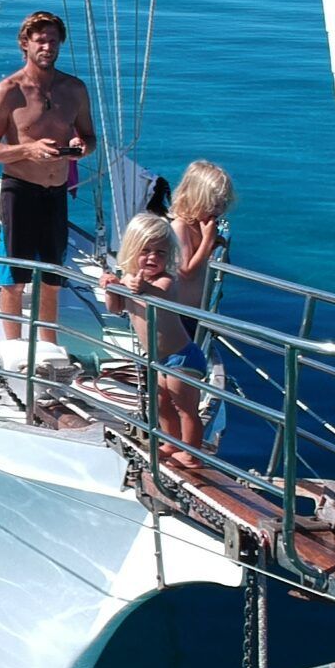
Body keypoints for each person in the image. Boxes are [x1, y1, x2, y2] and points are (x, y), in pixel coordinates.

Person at [0, 11, 95, 358]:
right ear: (25, 44)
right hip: (19, 191)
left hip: (56, 192)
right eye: (40, 40)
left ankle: (48, 346)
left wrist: (80, 149)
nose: (47, 46)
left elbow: (89, 137)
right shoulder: (9, 91)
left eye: (53, 40)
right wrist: (27, 149)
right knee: (13, 276)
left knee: (52, 276)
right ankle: (13, 348)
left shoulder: (73, 89)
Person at [102, 211, 205, 470]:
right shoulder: (128, 280)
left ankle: (192, 453)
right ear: (132, 250)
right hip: (159, 359)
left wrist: (142, 288)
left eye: (160, 253)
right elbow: (115, 308)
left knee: (185, 407)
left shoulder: (166, 282)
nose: (152, 258)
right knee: (161, 404)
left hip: (182, 356)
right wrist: (111, 286)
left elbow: (157, 293)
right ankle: (172, 442)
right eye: (146, 251)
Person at [168, 159, 236, 311]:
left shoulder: (202, 226)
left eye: (223, 205)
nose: (218, 212)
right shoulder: (180, 227)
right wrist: (208, 240)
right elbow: (186, 271)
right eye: (213, 206)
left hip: (199, 308)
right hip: (180, 311)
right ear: (194, 198)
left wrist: (214, 246)